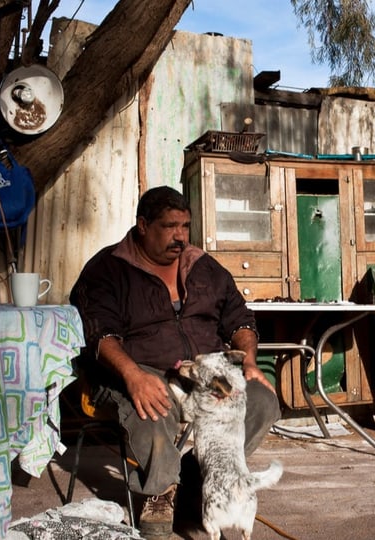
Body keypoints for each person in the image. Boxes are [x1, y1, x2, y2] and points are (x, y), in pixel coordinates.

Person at [69, 186, 280, 539]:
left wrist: (249, 363)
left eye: (185, 226)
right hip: (139, 370)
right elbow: (98, 333)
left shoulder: (204, 267)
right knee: (154, 407)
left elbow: (241, 320)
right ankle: (161, 494)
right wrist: (132, 375)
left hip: (206, 373)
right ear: (142, 226)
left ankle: (202, 478)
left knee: (261, 400)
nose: (180, 236)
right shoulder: (108, 269)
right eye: (169, 226)